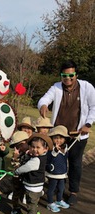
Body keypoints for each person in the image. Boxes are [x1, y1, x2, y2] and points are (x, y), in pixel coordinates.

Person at [38, 59, 95, 206]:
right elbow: (46, 98)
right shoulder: (56, 87)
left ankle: (73, 191)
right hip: (58, 135)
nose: (68, 79)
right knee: (55, 161)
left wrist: (87, 124)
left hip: (78, 135)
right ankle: (55, 187)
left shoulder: (86, 87)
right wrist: (43, 105)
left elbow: (94, 107)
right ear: (61, 76)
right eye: (64, 76)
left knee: (75, 163)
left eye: (71, 75)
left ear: (76, 74)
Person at [14, 133, 53, 214]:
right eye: (32, 147)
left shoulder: (36, 160)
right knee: (34, 204)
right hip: (38, 186)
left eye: (38, 147)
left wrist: (17, 171)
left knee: (31, 205)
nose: (34, 149)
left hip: (32, 187)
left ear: (45, 149)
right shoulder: (43, 157)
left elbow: (26, 168)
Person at [46, 125, 70, 212]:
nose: (58, 140)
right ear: (52, 138)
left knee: (61, 188)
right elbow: (50, 157)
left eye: (61, 138)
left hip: (62, 173)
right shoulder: (51, 148)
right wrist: (55, 150)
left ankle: (59, 200)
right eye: (56, 138)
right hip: (54, 172)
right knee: (51, 189)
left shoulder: (65, 147)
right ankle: (50, 203)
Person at [9, 131, 30, 214]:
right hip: (18, 178)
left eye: (20, 145)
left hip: (28, 178)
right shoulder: (17, 155)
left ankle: (31, 209)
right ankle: (15, 208)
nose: (18, 148)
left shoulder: (31, 153)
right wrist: (15, 158)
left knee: (29, 193)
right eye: (16, 146)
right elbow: (16, 167)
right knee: (16, 193)